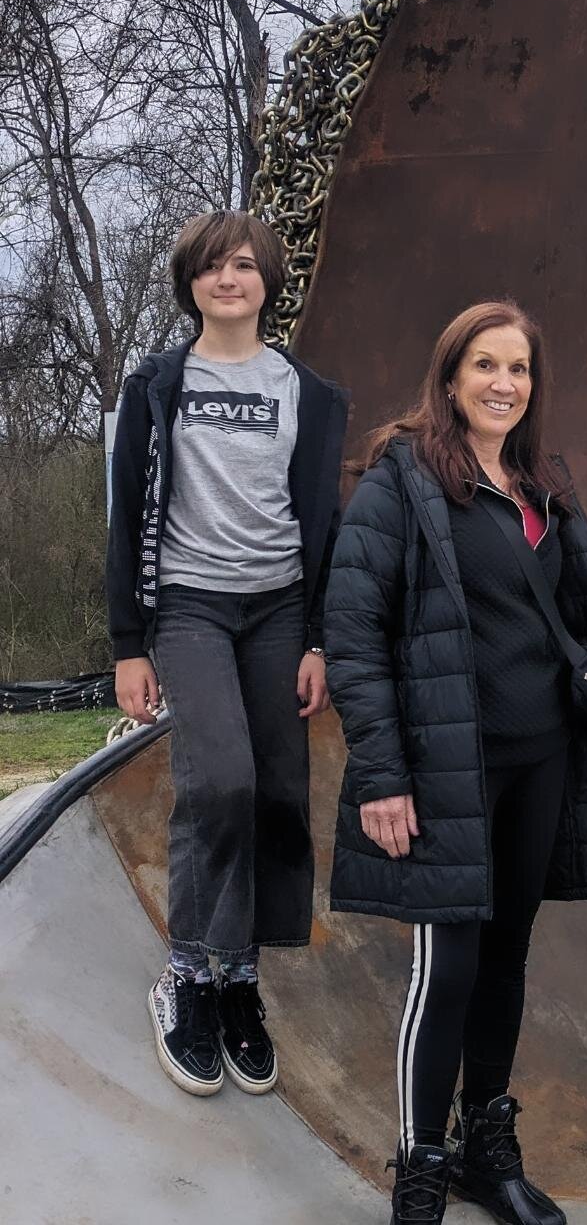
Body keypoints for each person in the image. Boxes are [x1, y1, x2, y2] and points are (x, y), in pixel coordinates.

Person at [325, 301, 587, 1225]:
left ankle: (487, 1149)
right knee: (448, 968)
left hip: (541, 760)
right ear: (450, 376)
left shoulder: (537, 482)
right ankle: (421, 1165)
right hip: (446, 767)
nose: (503, 384)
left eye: (519, 369)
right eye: (485, 365)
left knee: (508, 958)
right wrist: (384, 773)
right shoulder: (400, 479)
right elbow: (353, 631)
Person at [108, 210, 347, 1100]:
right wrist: (130, 644)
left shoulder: (308, 393)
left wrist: (318, 635)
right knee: (221, 780)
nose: (229, 279)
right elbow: (126, 519)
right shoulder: (157, 385)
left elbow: (319, 526)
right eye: (212, 266)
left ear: (267, 282)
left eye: (244, 265)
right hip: (191, 607)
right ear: (191, 282)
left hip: (279, 607)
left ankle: (239, 978)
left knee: (280, 788)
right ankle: (186, 974)